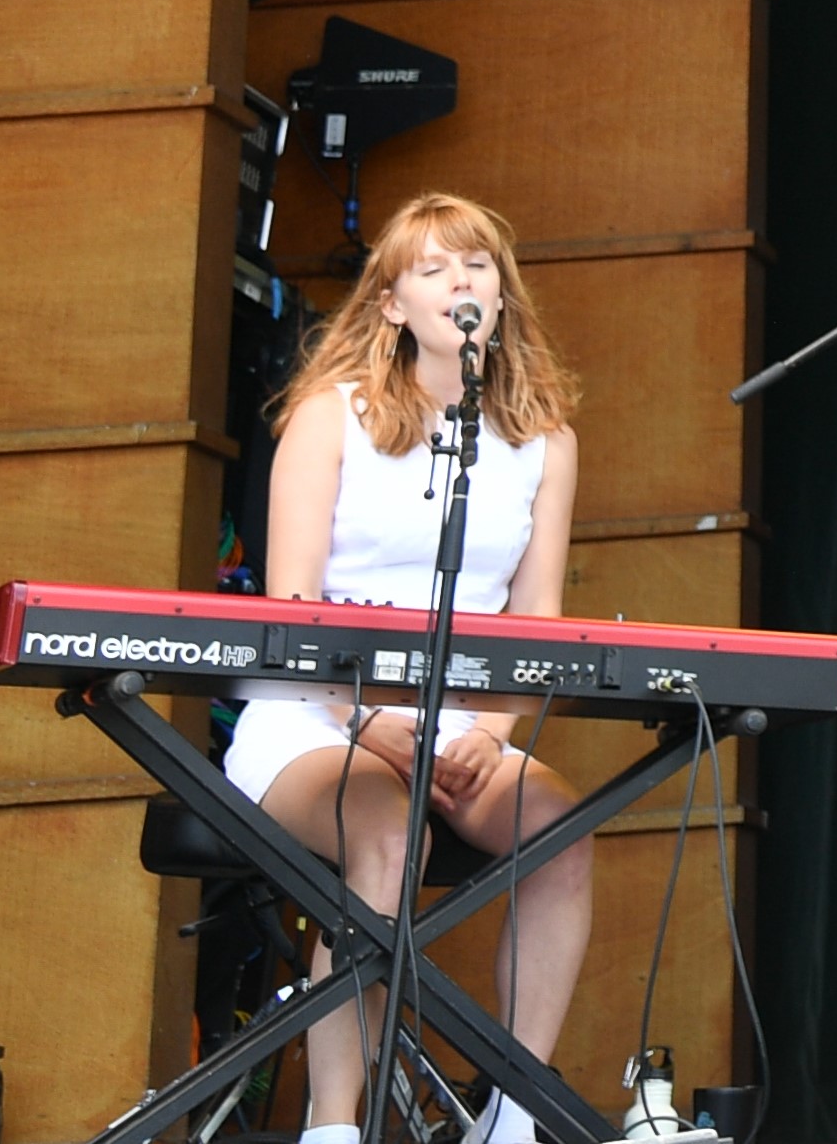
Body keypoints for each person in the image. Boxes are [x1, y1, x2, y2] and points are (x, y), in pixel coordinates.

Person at [232, 192, 594, 1144]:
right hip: (315, 716)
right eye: (432, 269)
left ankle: (512, 1116)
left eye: (476, 266)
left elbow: (537, 616)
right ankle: (334, 1125)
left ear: (501, 297)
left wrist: (494, 733)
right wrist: (363, 720)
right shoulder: (330, 415)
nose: (459, 283)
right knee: (387, 830)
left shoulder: (543, 438)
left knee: (560, 825)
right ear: (391, 302)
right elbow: (291, 607)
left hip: (461, 721)